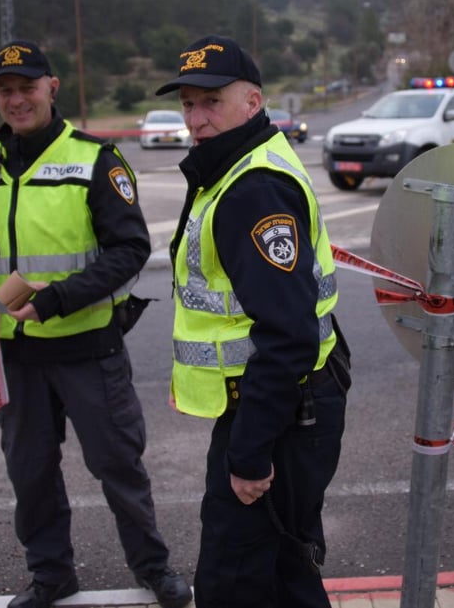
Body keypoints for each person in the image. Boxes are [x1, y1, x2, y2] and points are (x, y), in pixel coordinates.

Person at [0, 40, 191, 608]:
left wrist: (56, 301)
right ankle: (52, 576)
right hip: (13, 355)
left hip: (85, 347)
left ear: (52, 87)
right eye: (5, 90)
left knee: (117, 466)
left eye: (27, 87)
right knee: (30, 474)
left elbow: (129, 250)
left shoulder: (95, 158)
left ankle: (154, 568)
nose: (16, 99)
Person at [156, 35, 351, 608]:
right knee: (281, 573)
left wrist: (250, 453)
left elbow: (287, 335)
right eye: (189, 104)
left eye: (212, 102)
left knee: (235, 583)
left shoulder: (252, 187)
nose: (197, 118)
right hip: (283, 404)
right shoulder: (237, 166)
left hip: (282, 411)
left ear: (253, 101)